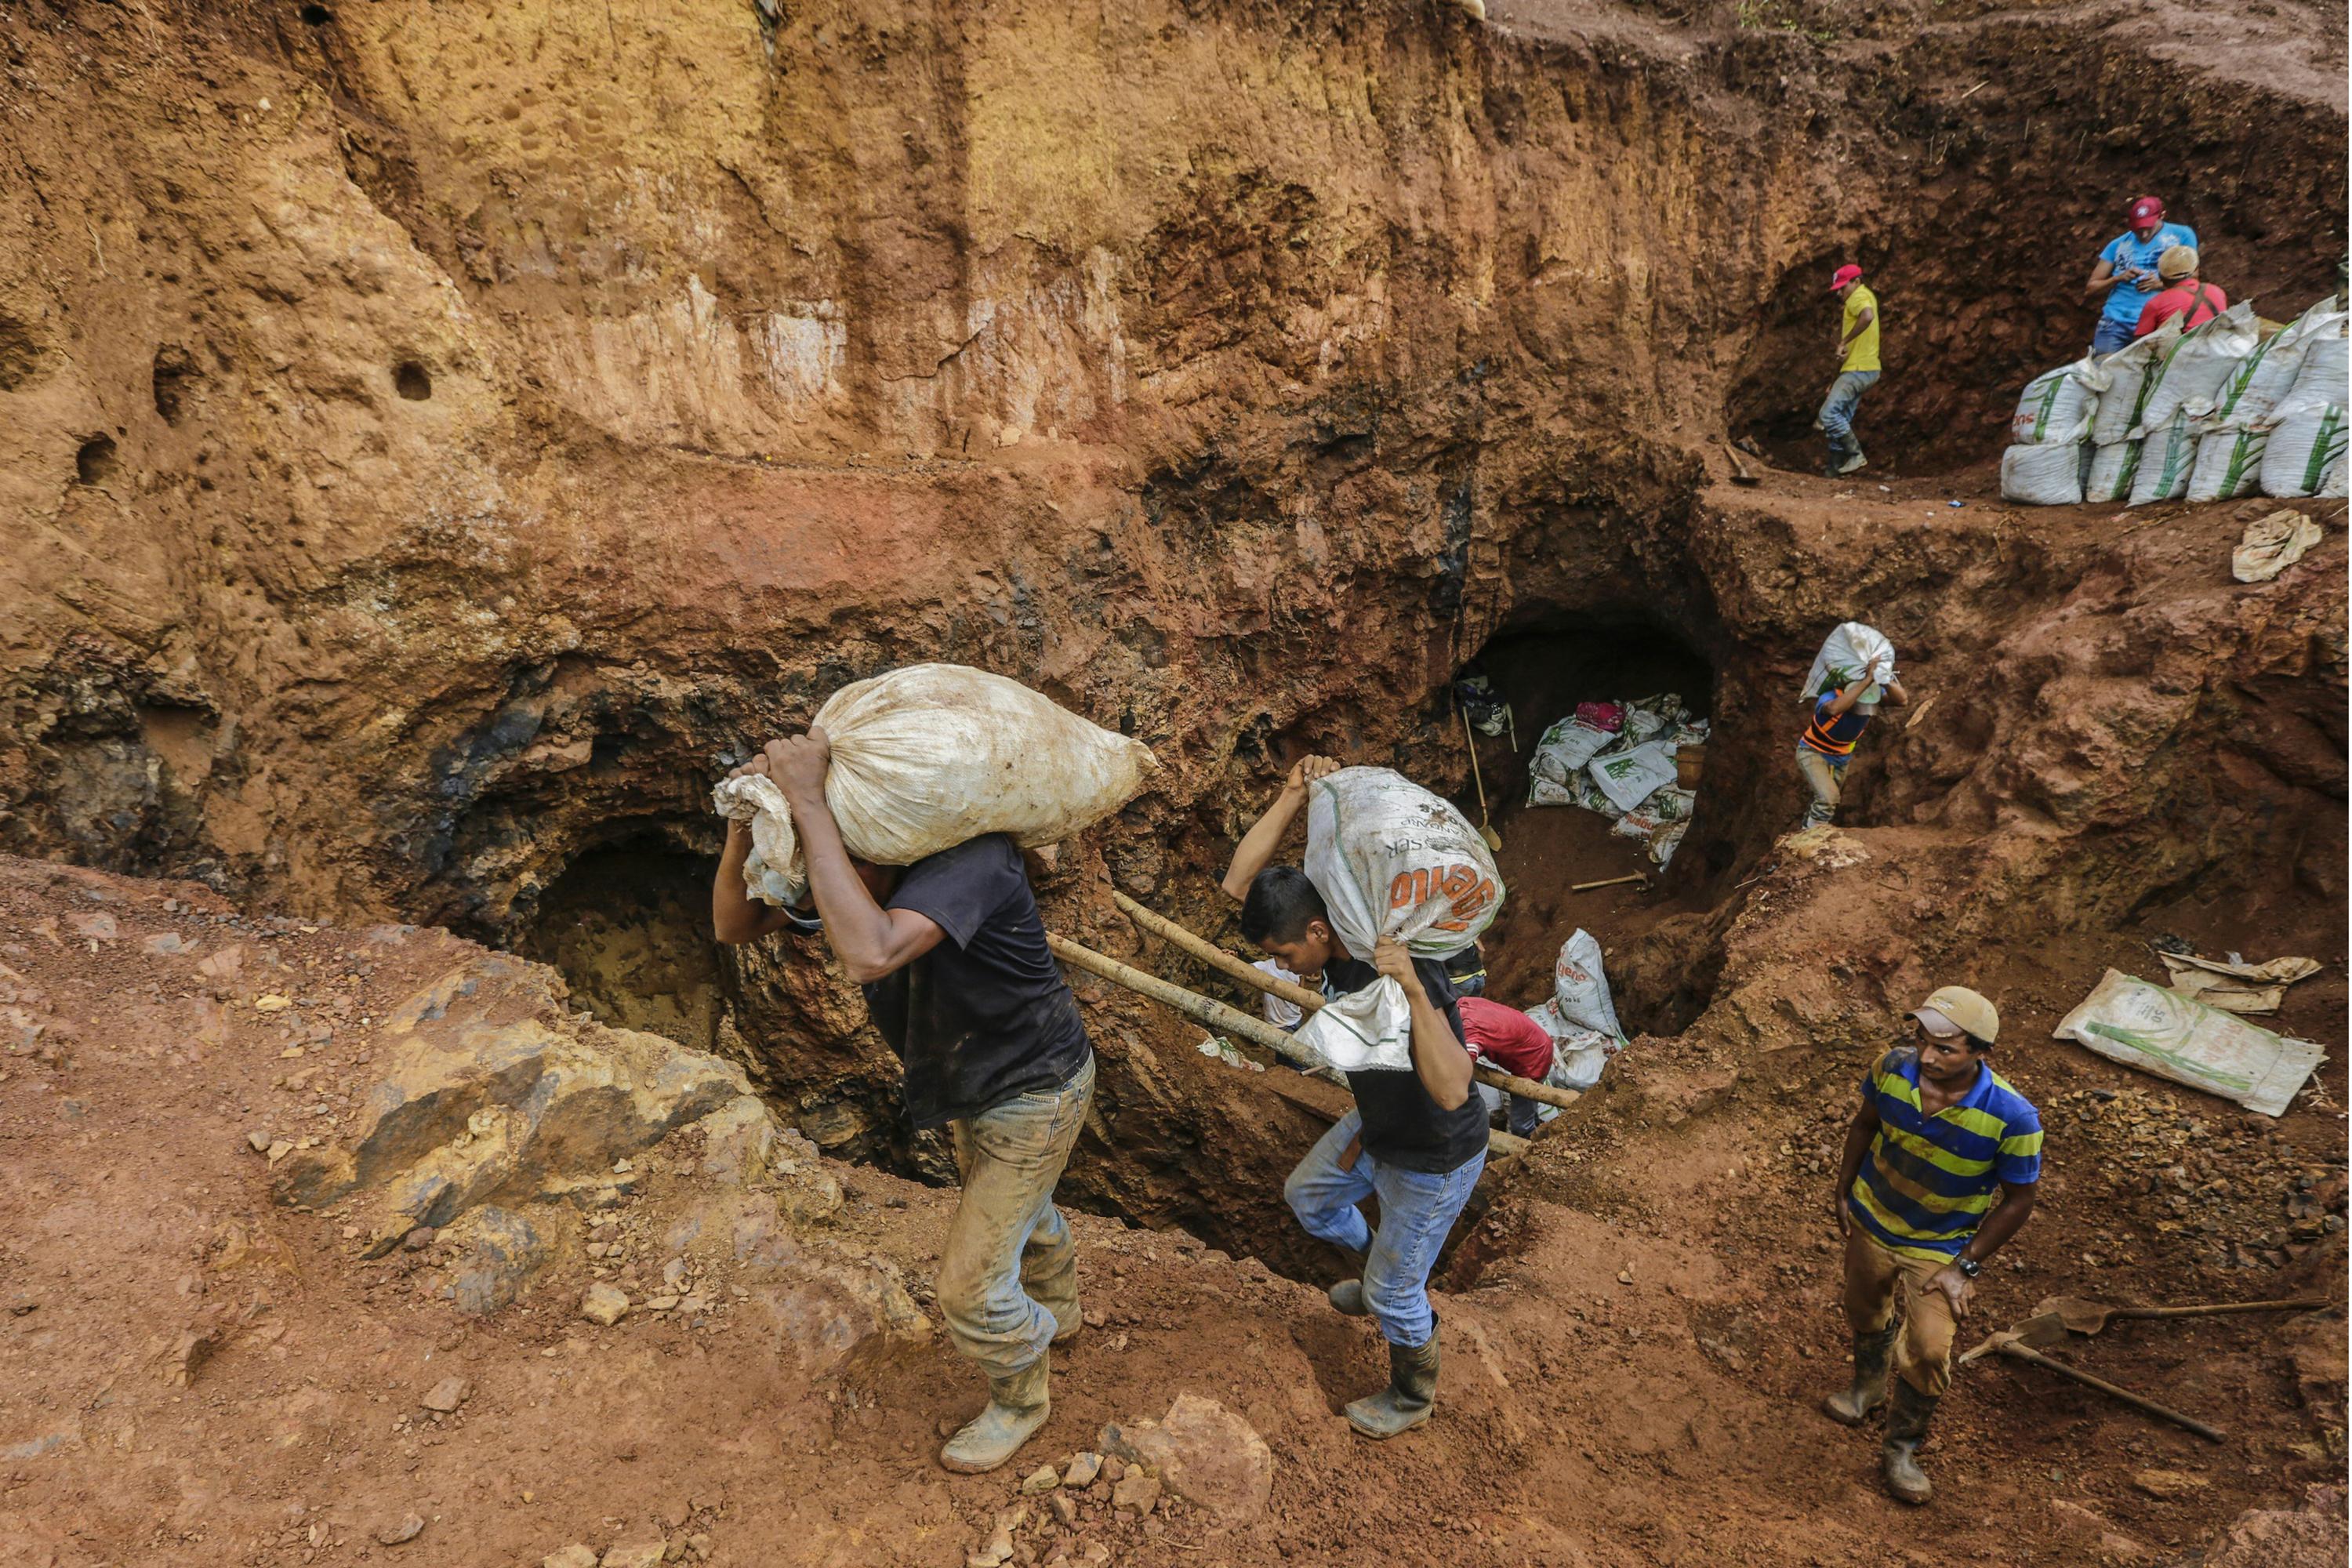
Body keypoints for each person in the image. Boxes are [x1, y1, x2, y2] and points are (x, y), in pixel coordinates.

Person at [710, 732, 1094, 1475]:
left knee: (971, 1285)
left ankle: (1022, 1398)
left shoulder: (972, 864)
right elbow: (735, 926)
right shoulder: (857, 862)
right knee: (1019, 1206)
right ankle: (1062, 1315)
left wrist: (812, 803)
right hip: (968, 1082)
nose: (823, 878)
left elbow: (869, 951)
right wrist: (738, 830)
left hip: (1036, 1086)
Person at [1222, 755, 1485, 1440]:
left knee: (1399, 1293)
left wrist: (1413, 987)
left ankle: (1411, 1392)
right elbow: (1237, 880)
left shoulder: (1392, 960)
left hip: (1435, 1153)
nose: (1282, 970)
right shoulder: (1328, 919)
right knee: (1309, 1196)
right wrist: (1290, 793)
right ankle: (1377, 1274)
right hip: (1378, 1126)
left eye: (1283, 955)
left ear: (1316, 933)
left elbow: (1455, 1089)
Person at [1822, 985, 2042, 1505]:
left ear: (1980, 1053)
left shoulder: (2013, 1118)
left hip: (1942, 1247)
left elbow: (2019, 1201)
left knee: (1927, 1349)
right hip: (1875, 1218)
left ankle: (1901, 1447)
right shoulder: (1891, 1070)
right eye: (1923, 1040)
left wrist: (1964, 1266)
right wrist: (1844, 1189)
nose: (1927, 1056)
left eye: (1946, 1048)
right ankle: (1867, 1389)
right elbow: (1865, 1123)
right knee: (1864, 1307)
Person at [1795, 656, 1909, 830]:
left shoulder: (1872, 694)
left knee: (1826, 799)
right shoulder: (1829, 696)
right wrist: (1866, 681)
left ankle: (1807, 828)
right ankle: (1810, 835)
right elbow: (1834, 709)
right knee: (1828, 798)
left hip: (1841, 757)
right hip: (1812, 751)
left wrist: (1883, 680)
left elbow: (1902, 701)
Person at [2086, 196, 2198, 355]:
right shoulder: (2117, 244)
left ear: (2162, 216)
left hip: (2158, 322)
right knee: (2103, 373)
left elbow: (2193, 276)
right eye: (2138, 229)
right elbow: (2091, 288)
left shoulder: (2181, 235)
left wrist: (2160, 283)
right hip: (2115, 321)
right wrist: (2118, 278)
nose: (2144, 234)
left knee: (2149, 375)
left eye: (2149, 228)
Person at [1457, 995, 1557, 1137]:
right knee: (1528, 1107)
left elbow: (1462, 1070)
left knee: (1521, 1122)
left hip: (1534, 1059)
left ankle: (1527, 1143)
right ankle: (1535, 1127)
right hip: (1536, 1043)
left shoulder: (1471, 1031)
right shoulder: (1465, 1004)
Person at [1819, 263, 1880, 477]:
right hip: (1864, 369)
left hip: (1859, 369)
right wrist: (1834, 381)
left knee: (1828, 414)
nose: (1841, 293)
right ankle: (1833, 470)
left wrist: (1844, 340)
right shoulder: (1866, 295)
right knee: (1841, 416)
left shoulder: (1858, 297)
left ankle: (1856, 455)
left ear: (1857, 281)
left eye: (1844, 287)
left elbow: (1868, 316)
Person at [2133, 246, 2227, 337]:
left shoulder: (2156, 303)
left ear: (2161, 277)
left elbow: (2139, 347)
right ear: (2196, 270)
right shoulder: (2218, 292)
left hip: (2181, 352)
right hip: (2219, 350)